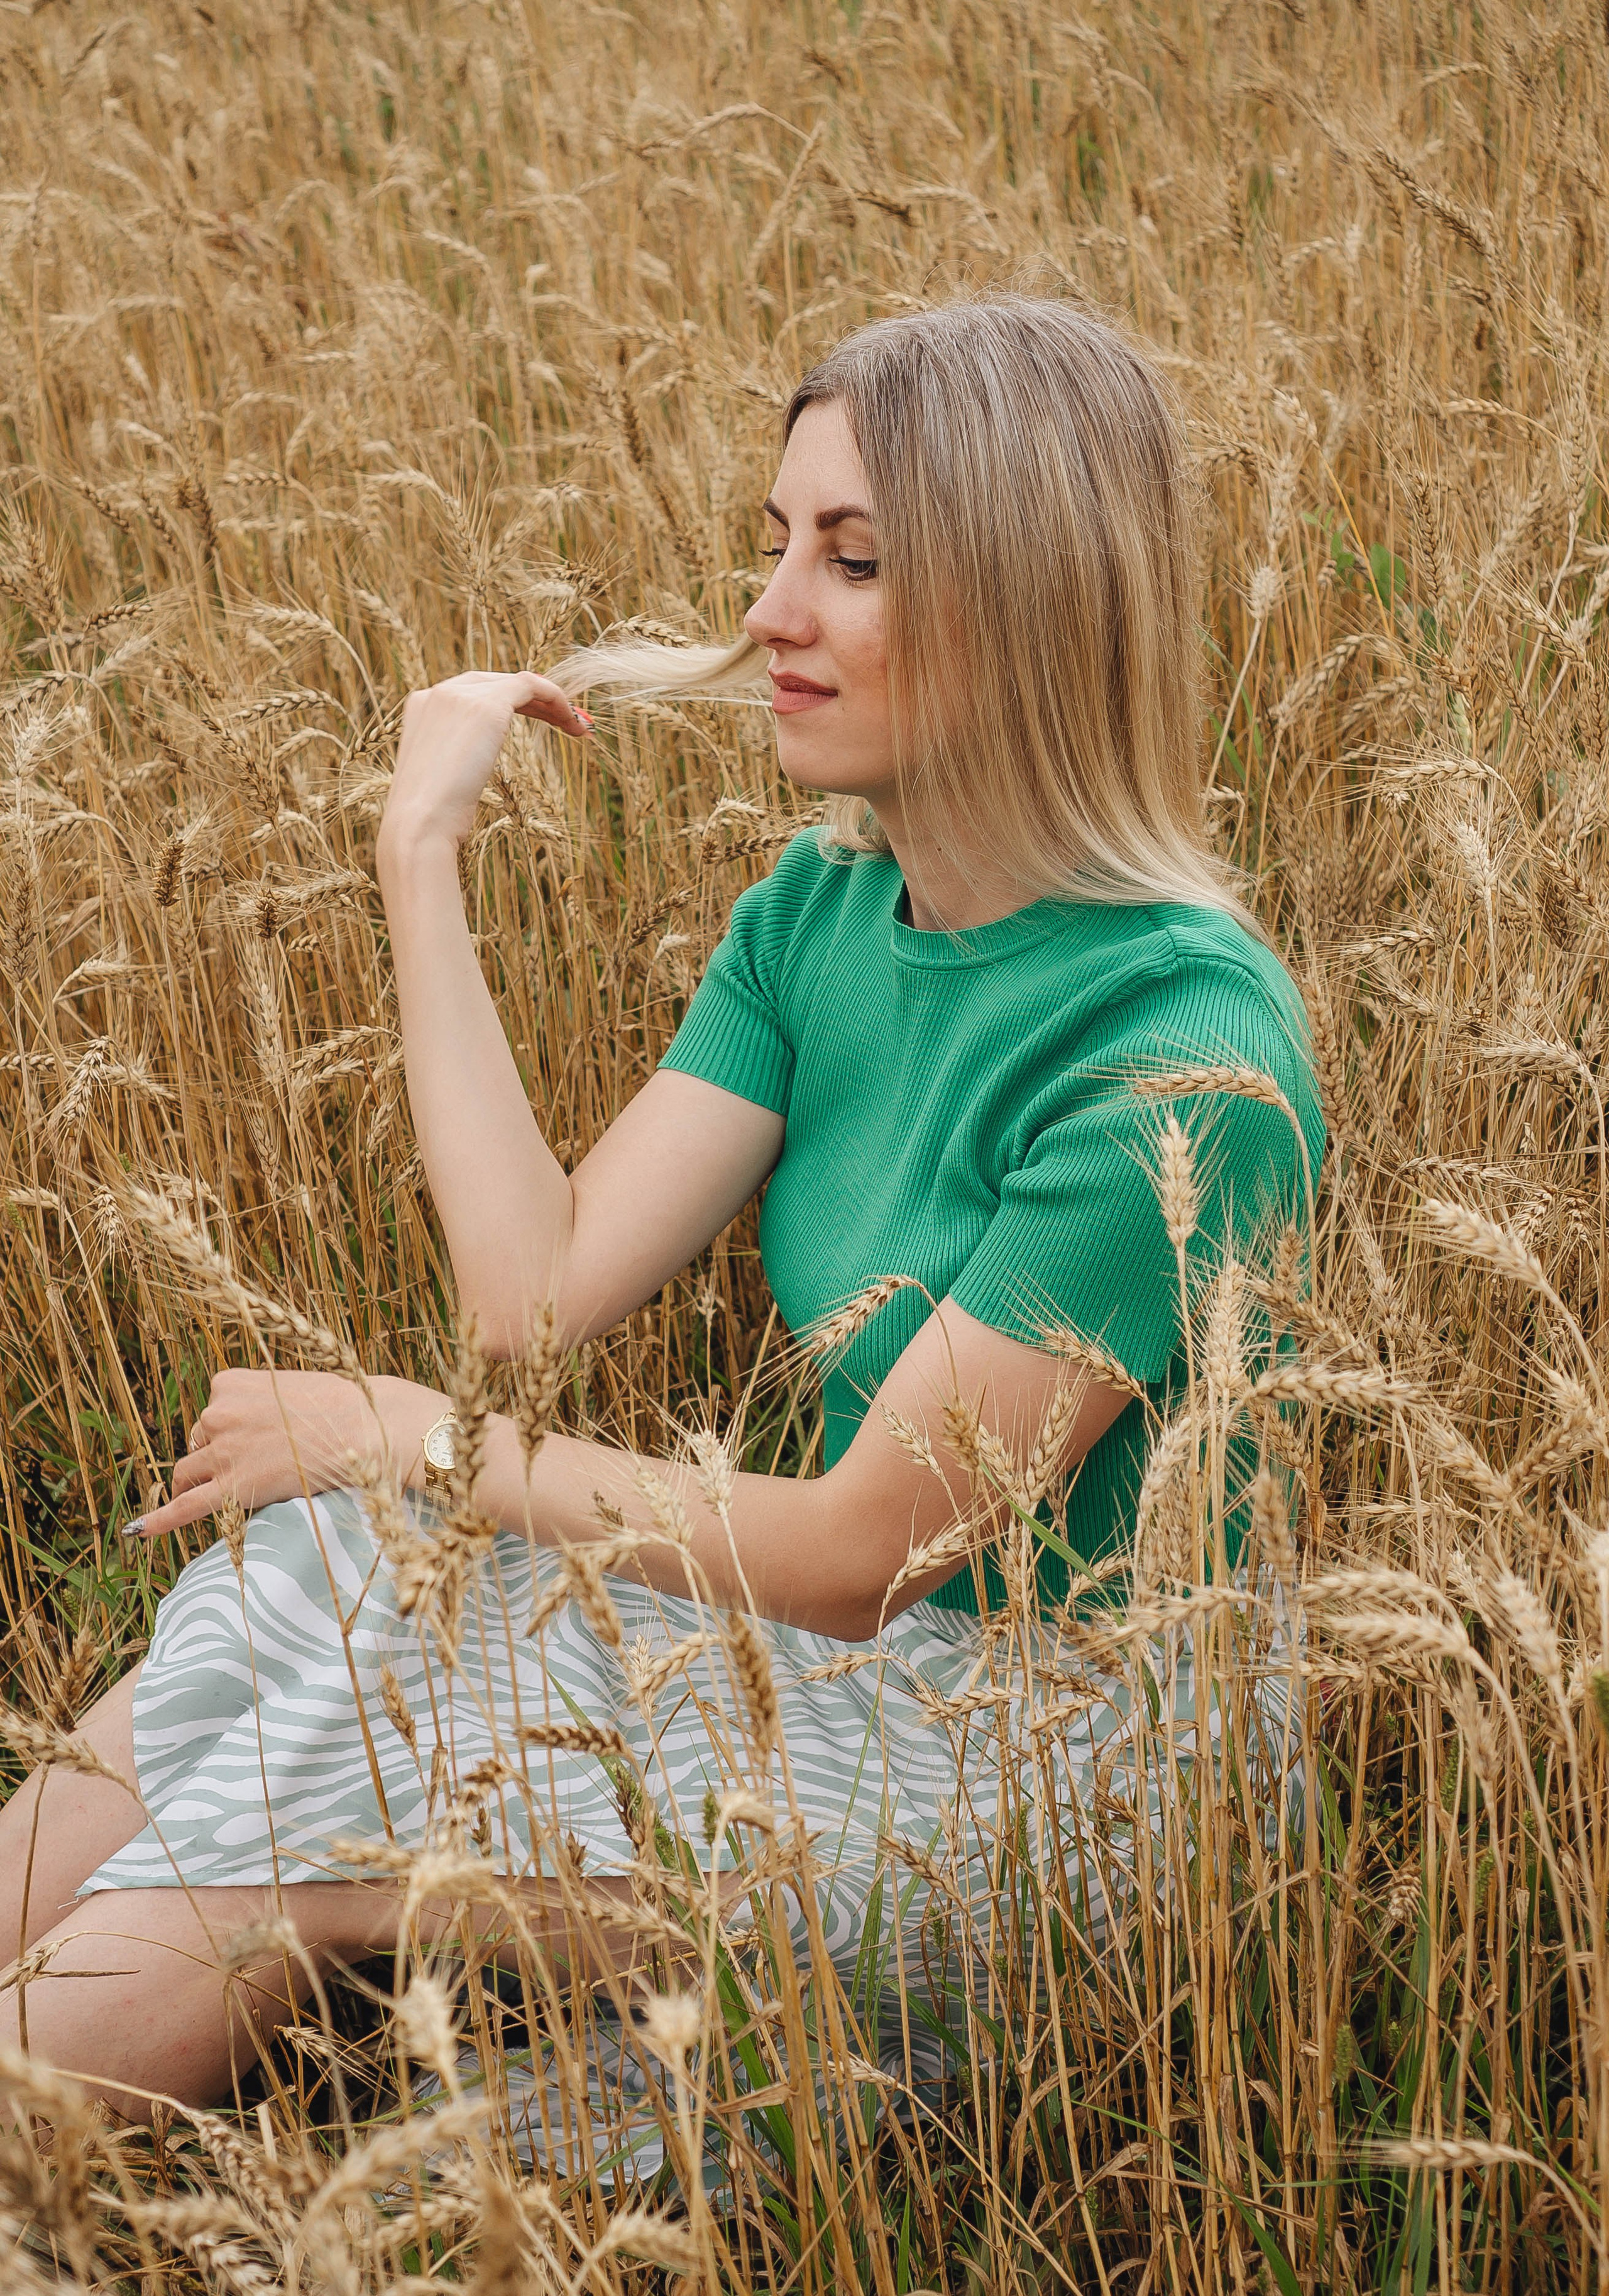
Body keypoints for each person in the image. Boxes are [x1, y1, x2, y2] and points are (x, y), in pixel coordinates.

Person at [0, 297, 1323, 2116]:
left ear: (1030, 599)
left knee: (320, 1792)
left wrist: (403, 1436)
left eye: (849, 560)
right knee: (306, 1580)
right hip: (870, 1679)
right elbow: (525, 1309)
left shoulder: (1181, 1041)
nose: (770, 609)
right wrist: (421, 856)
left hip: (1068, 1769)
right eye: (774, 545)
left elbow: (868, 1557)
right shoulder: (819, 915)